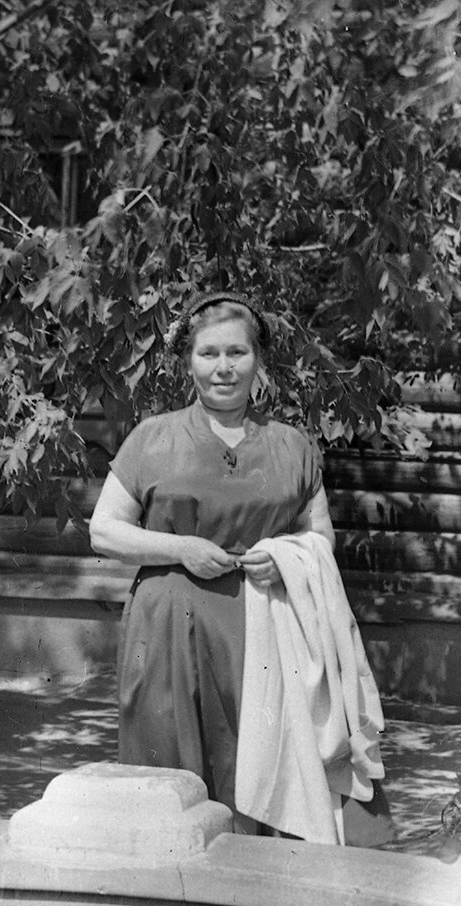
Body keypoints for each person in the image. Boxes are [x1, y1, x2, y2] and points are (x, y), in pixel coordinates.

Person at [89, 291, 392, 843]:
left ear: (258, 360)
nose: (223, 367)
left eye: (236, 353)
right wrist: (181, 548)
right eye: (208, 354)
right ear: (188, 361)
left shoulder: (290, 446)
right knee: (168, 772)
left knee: (262, 767)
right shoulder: (153, 438)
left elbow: (320, 536)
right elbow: (104, 529)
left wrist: (284, 558)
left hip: (267, 631)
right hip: (169, 631)